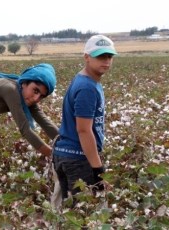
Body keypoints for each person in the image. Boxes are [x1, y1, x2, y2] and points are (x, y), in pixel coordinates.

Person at [53, 35, 117, 203]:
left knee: (70, 211)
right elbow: (83, 130)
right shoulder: (87, 87)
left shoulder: (84, 80)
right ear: (87, 57)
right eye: (101, 56)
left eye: (109, 56)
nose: (106, 61)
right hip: (78, 159)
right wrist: (97, 169)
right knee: (84, 213)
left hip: (66, 156)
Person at [0, 63, 59, 162]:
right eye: (36, 91)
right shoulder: (11, 90)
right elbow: (25, 129)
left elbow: (44, 121)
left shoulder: (24, 93)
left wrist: (68, 145)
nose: (36, 98)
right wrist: (54, 155)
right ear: (25, 83)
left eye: (42, 96)